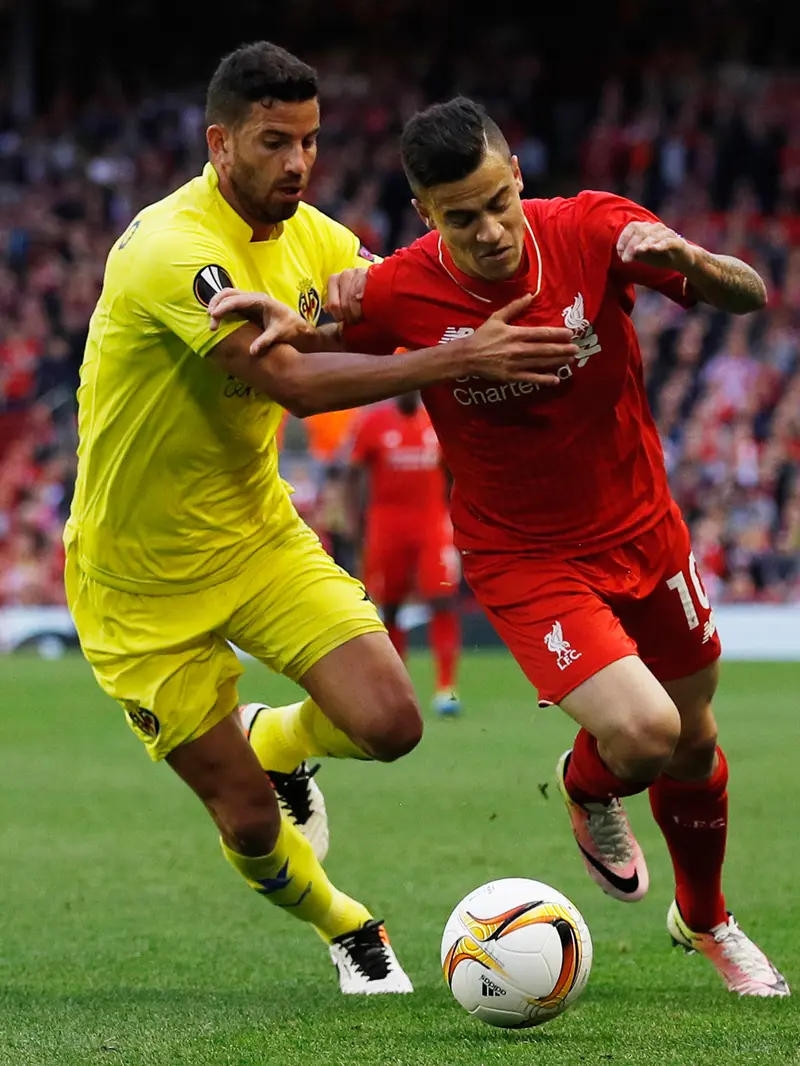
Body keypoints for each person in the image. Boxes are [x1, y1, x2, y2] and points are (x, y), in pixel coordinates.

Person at [209, 97, 789, 997]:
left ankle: (707, 919)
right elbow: (321, 345)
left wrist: (692, 261)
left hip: (646, 527)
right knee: (641, 735)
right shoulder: (404, 287)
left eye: (497, 203)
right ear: (424, 215)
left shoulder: (595, 226)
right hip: (526, 558)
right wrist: (279, 318)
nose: (489, 231)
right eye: (461, 217)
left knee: (694, 740)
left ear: (518, 174)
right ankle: (588, 786)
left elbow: (747, 295)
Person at [65, 44, 577, 997]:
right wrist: (458, 358)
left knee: (392, 724)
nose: (297, 163)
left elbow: (407, 307)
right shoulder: (171, 249)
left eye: (309, 140)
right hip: (135, 579)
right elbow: (291, 382)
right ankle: (349, 926)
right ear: (220, 143)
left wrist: (392, 304)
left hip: (258, 534)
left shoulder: (318, 237)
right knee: (250, 823)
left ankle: (279, 741)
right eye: (273, 142)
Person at [347, 392, 462, 715]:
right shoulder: (373, 423)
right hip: (386, 525)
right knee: (391, 607)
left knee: (442, 598)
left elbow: (455, 472)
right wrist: (355, 526)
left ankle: (446, 689)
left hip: (431, 522)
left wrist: (460, 516)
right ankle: (399, 689)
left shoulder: (437, 421)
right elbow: (353, 474)